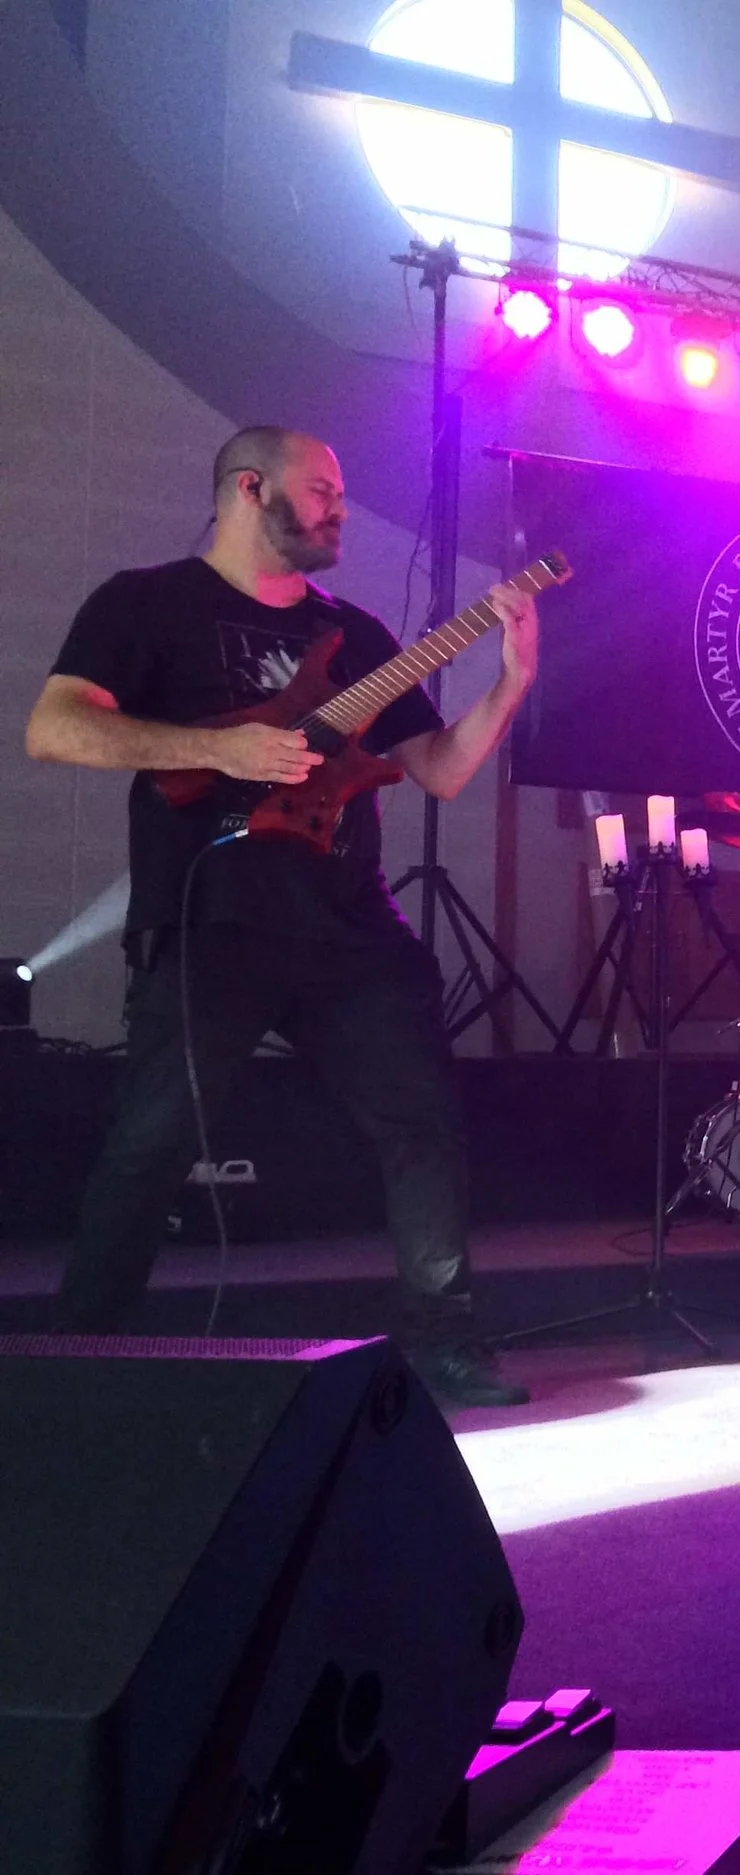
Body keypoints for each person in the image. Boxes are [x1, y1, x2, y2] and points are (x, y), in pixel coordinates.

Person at [23, 426, 543, 1401]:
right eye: (322, 492)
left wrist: (510, 684)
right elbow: (55, 729)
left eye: (341, 494)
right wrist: (216, 749)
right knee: (151, 1144)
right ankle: (78, 1361)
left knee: (422, 1122)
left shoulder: (358, 636)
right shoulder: (147, 602)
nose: (339, 510)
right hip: (212, 918)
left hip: (347, 922)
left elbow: (439, 771)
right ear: (248, 488)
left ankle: (446, 1339)